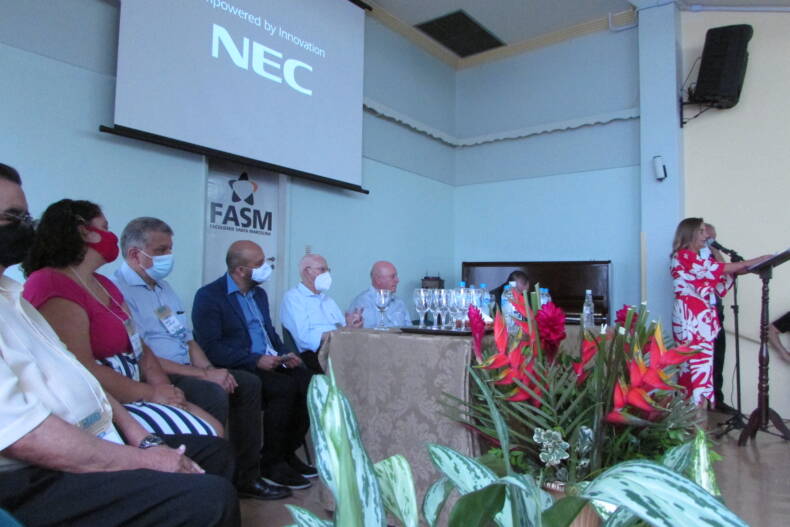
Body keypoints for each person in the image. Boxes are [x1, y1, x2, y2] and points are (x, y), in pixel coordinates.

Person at [0, 163, 239, 527]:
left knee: (216, 452)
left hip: (99, 427)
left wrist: (141, 436)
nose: (25, 226)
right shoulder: (48, 285)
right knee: (209, 497)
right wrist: (145, 456)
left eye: (25, 216)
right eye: (13, 217)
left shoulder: (13, 297)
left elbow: (80, 371)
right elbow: (24, 435)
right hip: (35, 471)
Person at [113, 218, 290, 500]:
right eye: (161, 250)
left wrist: (210, 368)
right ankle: (205, 480)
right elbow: (142, 354)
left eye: (170, 248)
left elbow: (188, 339)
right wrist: (206, 376)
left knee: (246, 383)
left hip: (188, 366)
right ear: (135, 254)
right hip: (156, 374)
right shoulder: (118, 291)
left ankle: (247, 476)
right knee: (212, 391)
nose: (169, 256)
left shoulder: (163, 288)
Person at [21, 199, 222, 438]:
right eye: (104, 228)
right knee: (208, 437)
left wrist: (163, 388)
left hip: (137, 388)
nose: (112, 236)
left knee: (214, 427)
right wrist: (151, 394)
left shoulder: (104, 284)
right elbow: (81, 367)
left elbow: (140, 347)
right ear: (84, 232)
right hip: (102, 402)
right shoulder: (51, 283)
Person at [192, 240, 316, 490]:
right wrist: (255, 359)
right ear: (241, 270)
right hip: (239, 364)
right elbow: (211, 347)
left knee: (307, 380)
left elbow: (269, 333)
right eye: (260, 264)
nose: (266, 267)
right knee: (283, 388)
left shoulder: (259, 295)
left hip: (270, 360)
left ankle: (287, 453)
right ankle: (271, 462)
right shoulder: (209, 296)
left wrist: (285, 354)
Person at [670, 217, 769, 405]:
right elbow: (718, 269)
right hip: (691, 320)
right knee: (694, 369)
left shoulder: (700, 258)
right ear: (689, 234)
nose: (706, 235)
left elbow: (723, 276)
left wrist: (749, 265)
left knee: (704, 369)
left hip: (703, 319)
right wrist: (756, 260)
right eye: (701, 231)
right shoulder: (683, 256)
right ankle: (691, 418)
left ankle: (699, 416)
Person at [281, 253, 363, 372]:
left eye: (328, 270)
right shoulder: (293, 298)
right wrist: (337, 333)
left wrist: (352, 324)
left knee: (372, 353)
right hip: (314, 354)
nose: (327, 274)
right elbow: (305, 340)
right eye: (322, 270)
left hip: (339, 347)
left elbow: (344, 329)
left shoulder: (328, 300)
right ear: (307, 271)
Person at [701, 223, 736, 414]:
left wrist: (715, 249)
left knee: (718, 356)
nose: (711, 241)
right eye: (708, 238)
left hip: (716, 311)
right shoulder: (690, 256)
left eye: (714, 238)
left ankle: (717, 399)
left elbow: (725, 272)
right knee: (701, 360)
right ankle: (701, 402)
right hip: (699, 315)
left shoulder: (712, 254)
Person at [348, 260, 412, 328]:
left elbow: (409, 329)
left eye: (396, 276)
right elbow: (363, 333)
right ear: (378, 280)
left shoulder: (399, 303)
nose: (397, 280)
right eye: (393, 276)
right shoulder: (362, 303)